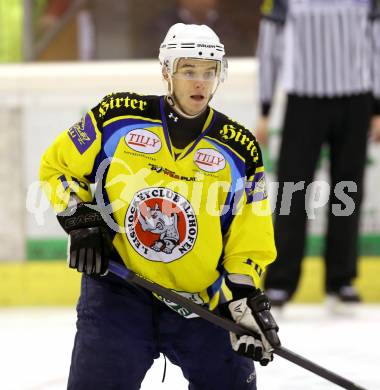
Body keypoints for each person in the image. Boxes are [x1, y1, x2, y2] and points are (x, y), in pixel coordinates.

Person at [40, 23, 280, 390]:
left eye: (208, 72)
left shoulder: (240, 149)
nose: (199, 82)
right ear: (166, 71)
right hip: (120, 291)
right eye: (188, 71)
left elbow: (249, 238)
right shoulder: (115, 117)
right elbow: (57, 168)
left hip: (202, 304)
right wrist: (80, 218)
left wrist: (245, 296)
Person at [256, 0, 380, 307]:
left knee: (347, 191)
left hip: (356, 98)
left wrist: (378, 108)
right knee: (293, 190)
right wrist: (265, 107)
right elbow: (268, 46)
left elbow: (377, 44)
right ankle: (281, 281)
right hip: (304, 100)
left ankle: (341, 279)